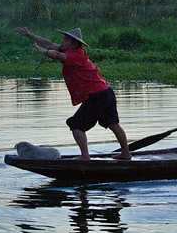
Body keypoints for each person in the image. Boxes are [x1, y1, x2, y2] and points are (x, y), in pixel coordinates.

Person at [15, 26, 131, 161]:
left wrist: (41, 50)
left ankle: (85, 157)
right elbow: (49, 44)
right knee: (113, 124)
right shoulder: (70, 50)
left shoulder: (75, 55)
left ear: (73, 43)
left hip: (97, 95)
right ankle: (126, 154)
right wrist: (30, 35)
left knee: (76, 125)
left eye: (65, 39)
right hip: (105, 92)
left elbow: (57, 55)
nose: (62, 41)